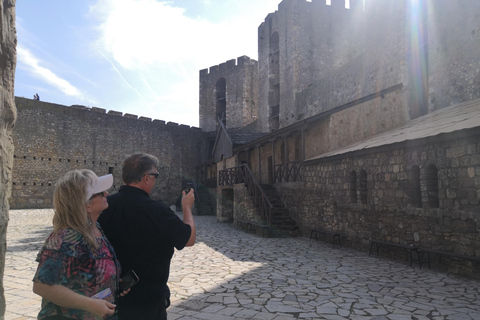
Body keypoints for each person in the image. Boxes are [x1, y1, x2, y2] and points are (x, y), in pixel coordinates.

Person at [98, 153, 196, 320]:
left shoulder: (105, 206)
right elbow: (188, 239)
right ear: (146, 178)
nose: (156, 179)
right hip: (148, 301)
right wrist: (186, 207)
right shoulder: (157, 210)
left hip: (111, 297)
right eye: (155, 175)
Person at [33, 170, 126, 319]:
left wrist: (113, 283)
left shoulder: (96, 229)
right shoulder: (67, 237)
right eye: (101, 192)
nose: (107, 193)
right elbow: (42, 286)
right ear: (87, 204)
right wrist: (89, 304)